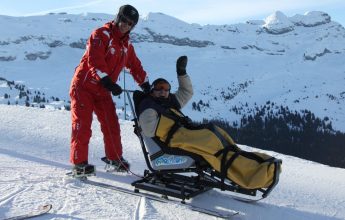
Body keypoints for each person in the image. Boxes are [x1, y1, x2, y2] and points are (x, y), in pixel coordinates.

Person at [137, 56, 281, 190]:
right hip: (174, 141)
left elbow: (186, 92)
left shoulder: (169, 101)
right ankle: (250, 176)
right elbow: (149, 131)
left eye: (166, 88)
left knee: (216, 134)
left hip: (185, 134)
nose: (163, 91)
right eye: (159, 88)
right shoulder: (148, 107)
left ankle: (256, 166)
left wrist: (181, 73)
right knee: (213, 145)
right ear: (152, 90)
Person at [69, 4, 150, 176]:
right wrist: (107, 81)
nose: (125, 25)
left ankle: (114, 159)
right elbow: (95, 61)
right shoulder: (101, 35)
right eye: (124, 20)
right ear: (118, 17)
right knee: (83, 125)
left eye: (130, 24)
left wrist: (145, 85)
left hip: (103, 90)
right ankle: (79, 164)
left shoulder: (126, 45)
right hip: (84, 86)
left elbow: (135, 66)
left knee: (111, 125)